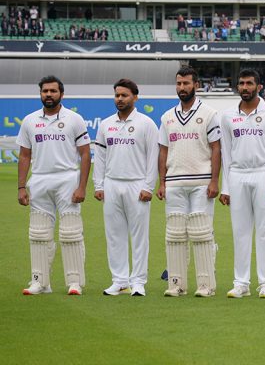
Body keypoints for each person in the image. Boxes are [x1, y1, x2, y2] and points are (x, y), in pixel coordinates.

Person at [17, 76, 91, 295]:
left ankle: (75, 282)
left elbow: (85, 154)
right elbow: (24, 155)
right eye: (44, 91)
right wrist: (21, 187)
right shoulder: (30, 120)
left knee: (71, 232)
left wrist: (82, 187)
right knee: (38, 233)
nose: (48, 95)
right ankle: (40, 281)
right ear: (40, 94)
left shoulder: (74, 119)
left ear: (62, 94)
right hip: (39, 179)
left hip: (67, 179)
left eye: (52, 91)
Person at [219, 69, 265, 299]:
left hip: (264, 174)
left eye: (249, 83)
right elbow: (226, 153)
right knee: (240, 231)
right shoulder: (227, 116)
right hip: (237, 174)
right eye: (241, 83)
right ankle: (241, 283)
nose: (245, 87)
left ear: (259, 86)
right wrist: (225, 187)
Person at [157, 66, 222, 297]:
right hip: (174, 182)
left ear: (196, 85)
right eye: (179, 83)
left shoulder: (210, 114)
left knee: (202, 233)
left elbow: (216, 149)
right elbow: (163, 151)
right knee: (175, 234)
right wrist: (162, 183)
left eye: (186, 83)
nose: (182, 88)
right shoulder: (167, 117)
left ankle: (206, 285)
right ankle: (176, 284)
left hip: (201, 182)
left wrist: (214, 181)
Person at [93, 79, 159, 297]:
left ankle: (138, 281)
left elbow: (153, 158)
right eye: (117, 95)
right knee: (114, 235)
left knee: (139, 236)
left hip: (136, 184)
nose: (119, 99)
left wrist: (149, 186)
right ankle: (119, 281)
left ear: (135, 97)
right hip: (112, 184)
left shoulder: (146, 123)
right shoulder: (106, 124)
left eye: (124, 95)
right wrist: (99, 184)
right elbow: (100, 157)